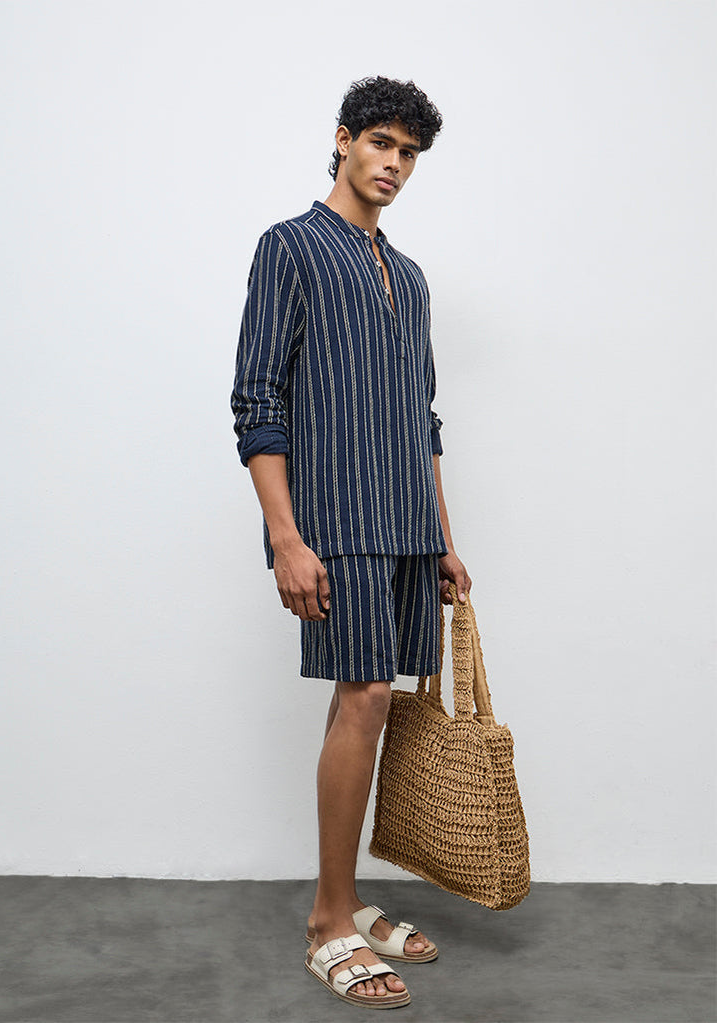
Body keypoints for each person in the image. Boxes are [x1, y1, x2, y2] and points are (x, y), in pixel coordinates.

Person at [230, 75, 472, 1010]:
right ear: (342, 140)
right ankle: (328, 919)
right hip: (335, 523)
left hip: (407, 525)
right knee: (362, 696)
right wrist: (285, 538)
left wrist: (442, 537)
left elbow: (422, 415)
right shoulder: (289, 247)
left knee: (374, 703)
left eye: (408, 153)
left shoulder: (409, 277)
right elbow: (257, 399)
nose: (394, 164)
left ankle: (350, 895)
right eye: (380, 143)